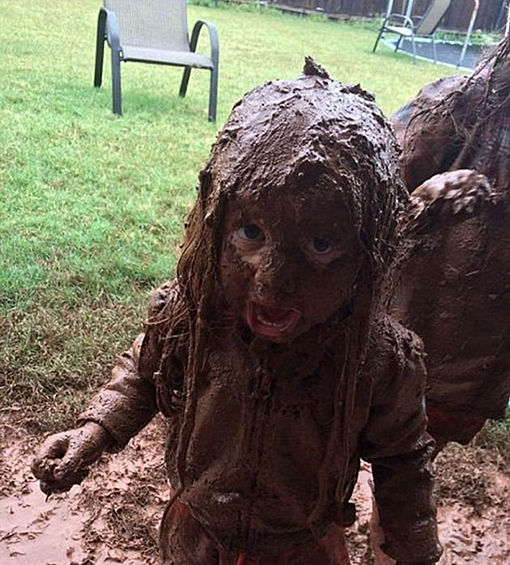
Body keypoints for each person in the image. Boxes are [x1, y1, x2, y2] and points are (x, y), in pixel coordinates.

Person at [31, 59, 442, 565]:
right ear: (215, 222)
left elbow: (402, 459)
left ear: (369, 255)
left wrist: (415, 545)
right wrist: (93, 432)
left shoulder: (376, 360)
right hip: (195, 533)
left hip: (302, 547)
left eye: (320, 244)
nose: (272, 280)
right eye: (252, 233)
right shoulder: (193, 317)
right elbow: (142, 374)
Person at [390, 35, 510, 453]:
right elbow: (375, 186)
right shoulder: (457, 105)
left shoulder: (457, 100)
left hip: (468, 365)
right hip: (403, 337)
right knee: (362, 442)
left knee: (413, 456)